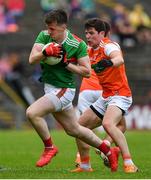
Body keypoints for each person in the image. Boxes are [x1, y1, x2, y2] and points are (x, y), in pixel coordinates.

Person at [26, 9, 119, 171]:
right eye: (48, 28)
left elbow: (86, 71)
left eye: (52, 28)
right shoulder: (44, 36)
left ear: (63, 27)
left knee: (32, 113)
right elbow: (31, 59)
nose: (49, 31)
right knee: (74, 130)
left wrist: (66, 64)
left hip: (64, 90)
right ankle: (108, 150)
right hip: (50, 88)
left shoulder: (77, 44)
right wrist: (45, 52)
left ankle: (49, 148)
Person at [71, 18, 138, 173]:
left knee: (108, 124)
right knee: (77, 127)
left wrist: (109, 63)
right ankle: (85, 165)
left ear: (101, 33)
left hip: (120, 95)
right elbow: (75, 60)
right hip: (106, 96)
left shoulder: (108, 45)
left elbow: (118, 59)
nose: (88, 36)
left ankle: (129, 164)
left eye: (91, 33)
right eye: (86, 33)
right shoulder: (89, 49)